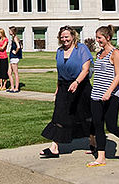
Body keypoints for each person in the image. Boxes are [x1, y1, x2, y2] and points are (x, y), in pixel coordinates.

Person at [88, 25, 119, 167]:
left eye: (100, 38)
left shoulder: (115, 53)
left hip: (111, 95)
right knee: (98, 125)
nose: (97, 41)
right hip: (96, 95)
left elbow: (118, 75)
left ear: (108, 37)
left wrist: (109, 92)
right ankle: (101, 157)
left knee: (111, 126)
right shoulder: (99, 54)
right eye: (97, 38)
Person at [39, 26, 93, 158]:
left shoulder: (81, 49)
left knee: (85, 115)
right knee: (59, 114)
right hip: (64, 87)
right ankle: (55, 147)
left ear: (73, 36)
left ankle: (94, 142)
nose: (64, 39)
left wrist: (77, 82)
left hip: (80, 86)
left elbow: (85, 69)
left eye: (67, 36)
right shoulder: (59, 51)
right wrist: (58, 87)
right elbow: (60, 71)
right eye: (62, 37)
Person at [7, 26, 23, 92]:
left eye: (10, 31)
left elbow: (19, 47)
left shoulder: (15, 38)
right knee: (9, 72)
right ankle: (12, 87)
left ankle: (16, 88)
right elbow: (21, 45)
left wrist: (15, 52)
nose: (9, 32)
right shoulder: (14, 38)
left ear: (12, 31)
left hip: (14, 57)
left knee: (15, 72)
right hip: (12, 57)